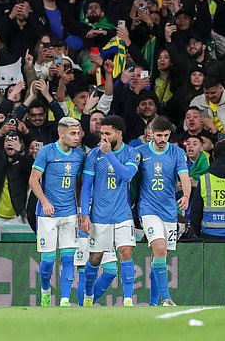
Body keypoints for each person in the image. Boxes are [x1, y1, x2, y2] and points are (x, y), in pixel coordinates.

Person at [80, 115, 139, 307]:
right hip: (100, 216)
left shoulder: (131, 153)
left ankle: (128, 299)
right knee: (95, 260)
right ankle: (88, 296)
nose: (103, 137)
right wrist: (85, 215)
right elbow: (86, 186)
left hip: (122, 214)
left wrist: (109, 155)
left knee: (126, 252)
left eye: (107, 133)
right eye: (101, 133)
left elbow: (127, 175)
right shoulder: (93, 156)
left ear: (119, 134)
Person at [29, 117, 85, 307]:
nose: (76, 137)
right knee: (48, 261)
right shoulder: (47, 152)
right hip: (48, 215)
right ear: (61, 134)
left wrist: (79, 209)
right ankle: (45, 289)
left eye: (78, 133)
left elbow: (79, 184)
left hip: (69, 213)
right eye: (72, 133)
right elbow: (33, 180)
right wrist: (44, 201)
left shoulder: (79, 154)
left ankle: (64, 300)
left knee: (69, 258)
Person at [136, 116, 191, 306]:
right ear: (151, 133)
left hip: (168, 210)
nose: (162, 140)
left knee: (160, 255)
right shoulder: (140, 152)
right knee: (159, 248)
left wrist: (186, 196)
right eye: (159, 135)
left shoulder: (176, 152)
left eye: (166, 136)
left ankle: (153, 303)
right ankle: (166, 298)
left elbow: (184, 176)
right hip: (148, 209)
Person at [190, 140, 225, 239]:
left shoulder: (205, 179)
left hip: (210, 236)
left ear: (214, 156)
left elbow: (196, 211)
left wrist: (196, 233)